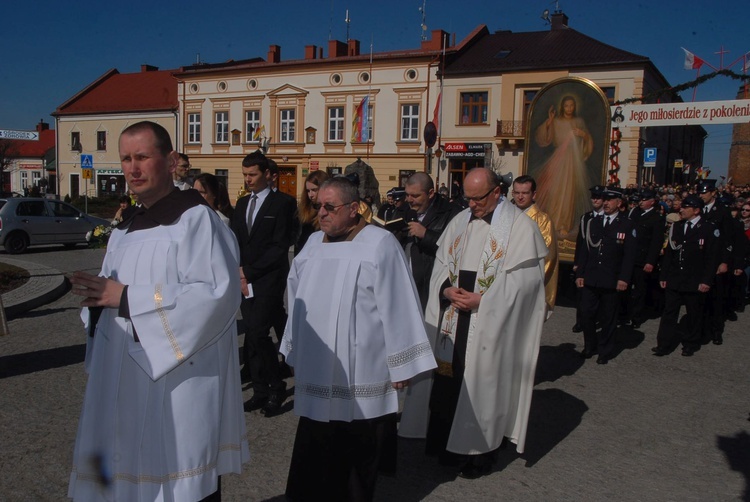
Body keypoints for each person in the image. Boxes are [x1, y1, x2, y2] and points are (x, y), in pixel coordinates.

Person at [67, 121, 248, 501]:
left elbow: (217, 295)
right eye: (126, 159)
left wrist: (129, 299)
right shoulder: (126, 228)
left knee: (175, 477)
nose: (132, 169)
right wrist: (95, 302)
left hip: (177, 379)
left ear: (169, 161)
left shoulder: (196, 220)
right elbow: (110, 292)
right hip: (121, 372)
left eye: (142, 157)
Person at [280, 176, 436, 501]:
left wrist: (402, 364)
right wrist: (293, 351)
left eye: (329, 207)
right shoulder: (311, 244)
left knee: (356, 454)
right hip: (317, 367)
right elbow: (296, 303)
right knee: (315, 448)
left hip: (364, 369)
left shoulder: (380, 243)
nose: (321, 213)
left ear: (353, 209)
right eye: (317, 206)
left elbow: (399, 303)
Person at [399, 168, 548, 479]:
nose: (471, 205)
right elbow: (442, 265)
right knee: (448, 381)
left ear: (496, 192)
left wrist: (485, 301)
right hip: (453, 318)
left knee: (481, 385)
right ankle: (444, 447)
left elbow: (528, 286)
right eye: (466, 197)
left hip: (489, 323)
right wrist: (444, 289)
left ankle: (478, 453)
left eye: (477, 198)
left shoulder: (521, 228)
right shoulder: (460, 221)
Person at [230, 150, 296, 416]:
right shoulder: (243, 204)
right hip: (244, 279)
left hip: (268, 279)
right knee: (252, 336)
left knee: (258, 332)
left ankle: (276, 386)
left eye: (253, 175)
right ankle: (259, 390)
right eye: (245, 175)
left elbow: (280, 246)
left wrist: (250, 272)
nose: (248, 180)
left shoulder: (283, 203)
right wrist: (238, 271)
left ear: (267, 175)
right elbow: (235, 241)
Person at [574, 187, 637, 364]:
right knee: (586, 313)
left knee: (608, 317)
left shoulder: (627, 224)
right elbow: (587, 249)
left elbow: (629, 256)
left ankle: (605, 350)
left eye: (610, 200)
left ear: (619, 203)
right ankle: (589, 345)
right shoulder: (595, 222)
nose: (606, 203)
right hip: (591, 277)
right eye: (605, 200)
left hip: (611, 278)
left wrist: (624, 278)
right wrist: (581, 272)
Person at [652, 195, 719, 357]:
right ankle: (663, 344)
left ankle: (690, 343)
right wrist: (663, 276)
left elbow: (712, 259)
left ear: (696, 210)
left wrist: (706, 281)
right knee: (669, 313)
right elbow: (669, 255)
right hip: (675, 278)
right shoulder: (677, 227)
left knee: (693, 313)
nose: (680, 209)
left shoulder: (708, 228)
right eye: (681, 207)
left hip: (694, 280)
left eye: (685, 207)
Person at [533, 95, 595, 241]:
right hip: (558, 160)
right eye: (566, 106)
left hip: (572, 162)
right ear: (562, 107)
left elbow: (588, 141)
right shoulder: (556, 121)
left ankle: (564, 225)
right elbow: (544, 139)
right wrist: (549, 121)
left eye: (571, 105)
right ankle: (552, 222)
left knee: (568, 193)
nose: (569, 108)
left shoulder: (579, 122)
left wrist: (583, 135)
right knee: (554, 191)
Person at [400, 172, 462, 310]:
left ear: (431, 193)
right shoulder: (403, 210)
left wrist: (426, 234)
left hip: (431, 285)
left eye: (415, 196)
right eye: (407, 194)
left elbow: (455, 249)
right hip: (405, 283)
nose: (409, 200)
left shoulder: (452, 213)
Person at [512, 174, 559, 317]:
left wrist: (528, 281)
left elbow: (547, 256)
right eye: (517, 193)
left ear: (534, 194)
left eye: (525, 193)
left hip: (527, 284)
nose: (520, 197)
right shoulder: (504, 216)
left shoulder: (542, 220)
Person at [626, 188, 665, 328]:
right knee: (625, 287)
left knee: (639, 290)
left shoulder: (657, 218)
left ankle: (636, 317)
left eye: (644, 199)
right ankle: (624, 314)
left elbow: (656, 242)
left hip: (642, 259)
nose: (640, 202)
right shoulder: (634, 212)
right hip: (630, 256)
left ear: (652, 202)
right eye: (640, 199)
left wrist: (650, 261)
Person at [571, 185, 606, 332]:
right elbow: (581, 241)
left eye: (598, 197)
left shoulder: (607, 218)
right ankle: (581, 322)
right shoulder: (586, 217)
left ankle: (599, 319)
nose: (595, 200)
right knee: (582, 295)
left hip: (602, 262)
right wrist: (577, 262)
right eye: (594, 197)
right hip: (586, 261)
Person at [295, 169, 329, 254]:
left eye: (314, 190)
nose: (310, 195)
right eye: (308, 191)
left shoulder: (330, 211)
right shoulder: (304, 210)